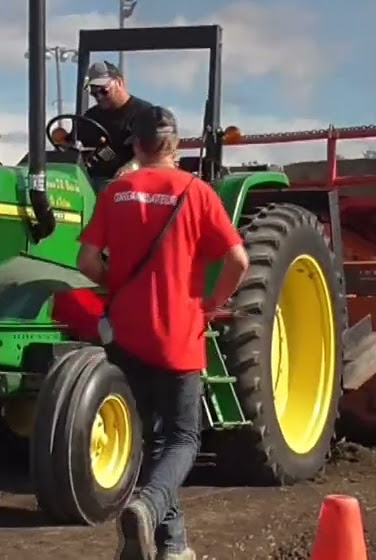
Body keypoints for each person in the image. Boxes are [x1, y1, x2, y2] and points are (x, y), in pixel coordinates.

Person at [76, 106, 249, 560]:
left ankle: (172, 546)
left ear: (136, 145)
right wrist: (213, 303)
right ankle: (148, 509)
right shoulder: (197, 192)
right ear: (176, 146)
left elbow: (87, 262)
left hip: (126, 338)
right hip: (178, 335)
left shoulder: (116, 192)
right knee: (182, 439)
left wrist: (119, 287)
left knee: (151, 439)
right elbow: (238, 260)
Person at [72, 61, 154, 180]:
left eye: (104, 91)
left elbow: (152, 152)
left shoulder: (145, 113)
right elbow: (72, 143)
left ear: (119, 82)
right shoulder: (90, 116)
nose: (99, 97)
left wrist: (130, 168)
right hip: (90, 180)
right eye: (94, 94)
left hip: (131, 181)